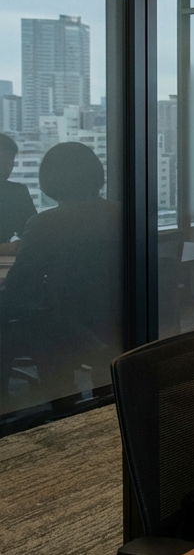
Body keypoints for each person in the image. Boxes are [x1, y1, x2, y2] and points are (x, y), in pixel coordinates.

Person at [0, 142, 120, 394]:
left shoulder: (46, 223)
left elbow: (17, 289)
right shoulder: (122, 212)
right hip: (115, 316)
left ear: (49, 179)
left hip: (68, 326)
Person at [0, 133, 35, 251]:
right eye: (2, 161)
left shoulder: (17, 193)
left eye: (10, 160)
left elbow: (34, 234)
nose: (7, 167)